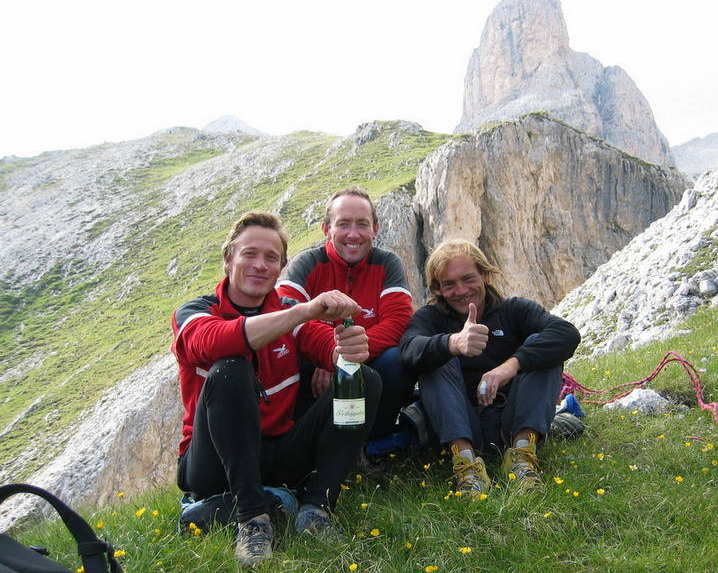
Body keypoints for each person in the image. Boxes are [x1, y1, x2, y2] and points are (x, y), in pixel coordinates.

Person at [171, 211, 382, 567]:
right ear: (228, 260)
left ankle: (316, 509)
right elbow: (215, 341)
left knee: (366, 380)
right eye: (249, 254)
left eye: (271, 258)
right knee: (230, 368)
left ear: (281, 268)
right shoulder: (195, 312)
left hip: (277, 454)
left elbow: (324, 344)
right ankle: (252, 517)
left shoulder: (288, 312)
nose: (260, 265)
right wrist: (303, 311)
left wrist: (347, 349)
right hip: (212, 464)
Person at [399, 239, 580, 496]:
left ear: (484, 275)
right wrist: (453, 343)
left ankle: (521, 456)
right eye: (449, 284)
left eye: (468, 278)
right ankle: (466, 466)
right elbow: (408, 350)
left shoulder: (514, 311)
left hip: (512, 419)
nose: (461, 290)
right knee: (435, 355)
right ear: (438, 289)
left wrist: (511, 366)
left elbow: (566, 334)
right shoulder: (430, 319)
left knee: (540, 347)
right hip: (462, 423)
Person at [277, 186, 414, 442]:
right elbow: (285, 314)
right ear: (326, 229)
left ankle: (373, 441)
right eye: (343, 224)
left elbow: (399, 322)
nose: (353, 234)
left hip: (367, 362)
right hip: (316, 367)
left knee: (396, 360)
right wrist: (328, 354)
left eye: (362, 224)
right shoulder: (307, 263)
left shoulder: (387, 264)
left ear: (375, 229)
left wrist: (345, 358)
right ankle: (305, 440)